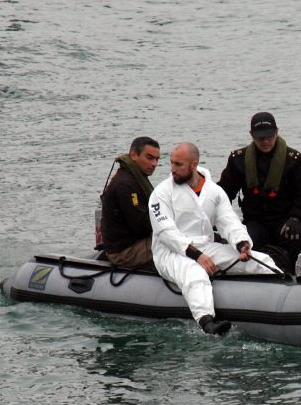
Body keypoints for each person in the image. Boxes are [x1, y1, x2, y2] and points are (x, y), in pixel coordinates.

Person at [149, 142, 275, 335]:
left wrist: (242, 243)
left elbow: (228, 221)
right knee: (195, 274)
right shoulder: (161, 193)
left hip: (206, 247)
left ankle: (284, 294)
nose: (172, 169)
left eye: (178, 164)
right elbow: (166, 232)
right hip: (170, 252)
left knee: (261, 260)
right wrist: (197, 255)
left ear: (194, 164)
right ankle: (207, 322)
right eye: (172, 163)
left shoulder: (214, 191)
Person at [217, 111, 301, 272]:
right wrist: (218, 219)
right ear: (251, 135)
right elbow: (223, 194)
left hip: (286, 219)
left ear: (277, 132)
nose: (265, 141)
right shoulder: (238, 160)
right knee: (245, 242)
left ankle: (291, 272)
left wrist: (296, 217)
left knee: (293, 237)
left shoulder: (294, 160)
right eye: (260, 138)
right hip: (255, 221)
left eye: (269, 136)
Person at [100, 136, 161, 269]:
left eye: (157, 159)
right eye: (149, 158)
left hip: (132, 242)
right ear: (133, 155)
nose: (154, 164)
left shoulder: (133, 176)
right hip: (124, 251)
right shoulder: (126, 185)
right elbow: (142, 225)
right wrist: (169, 223)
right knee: (176, 245)